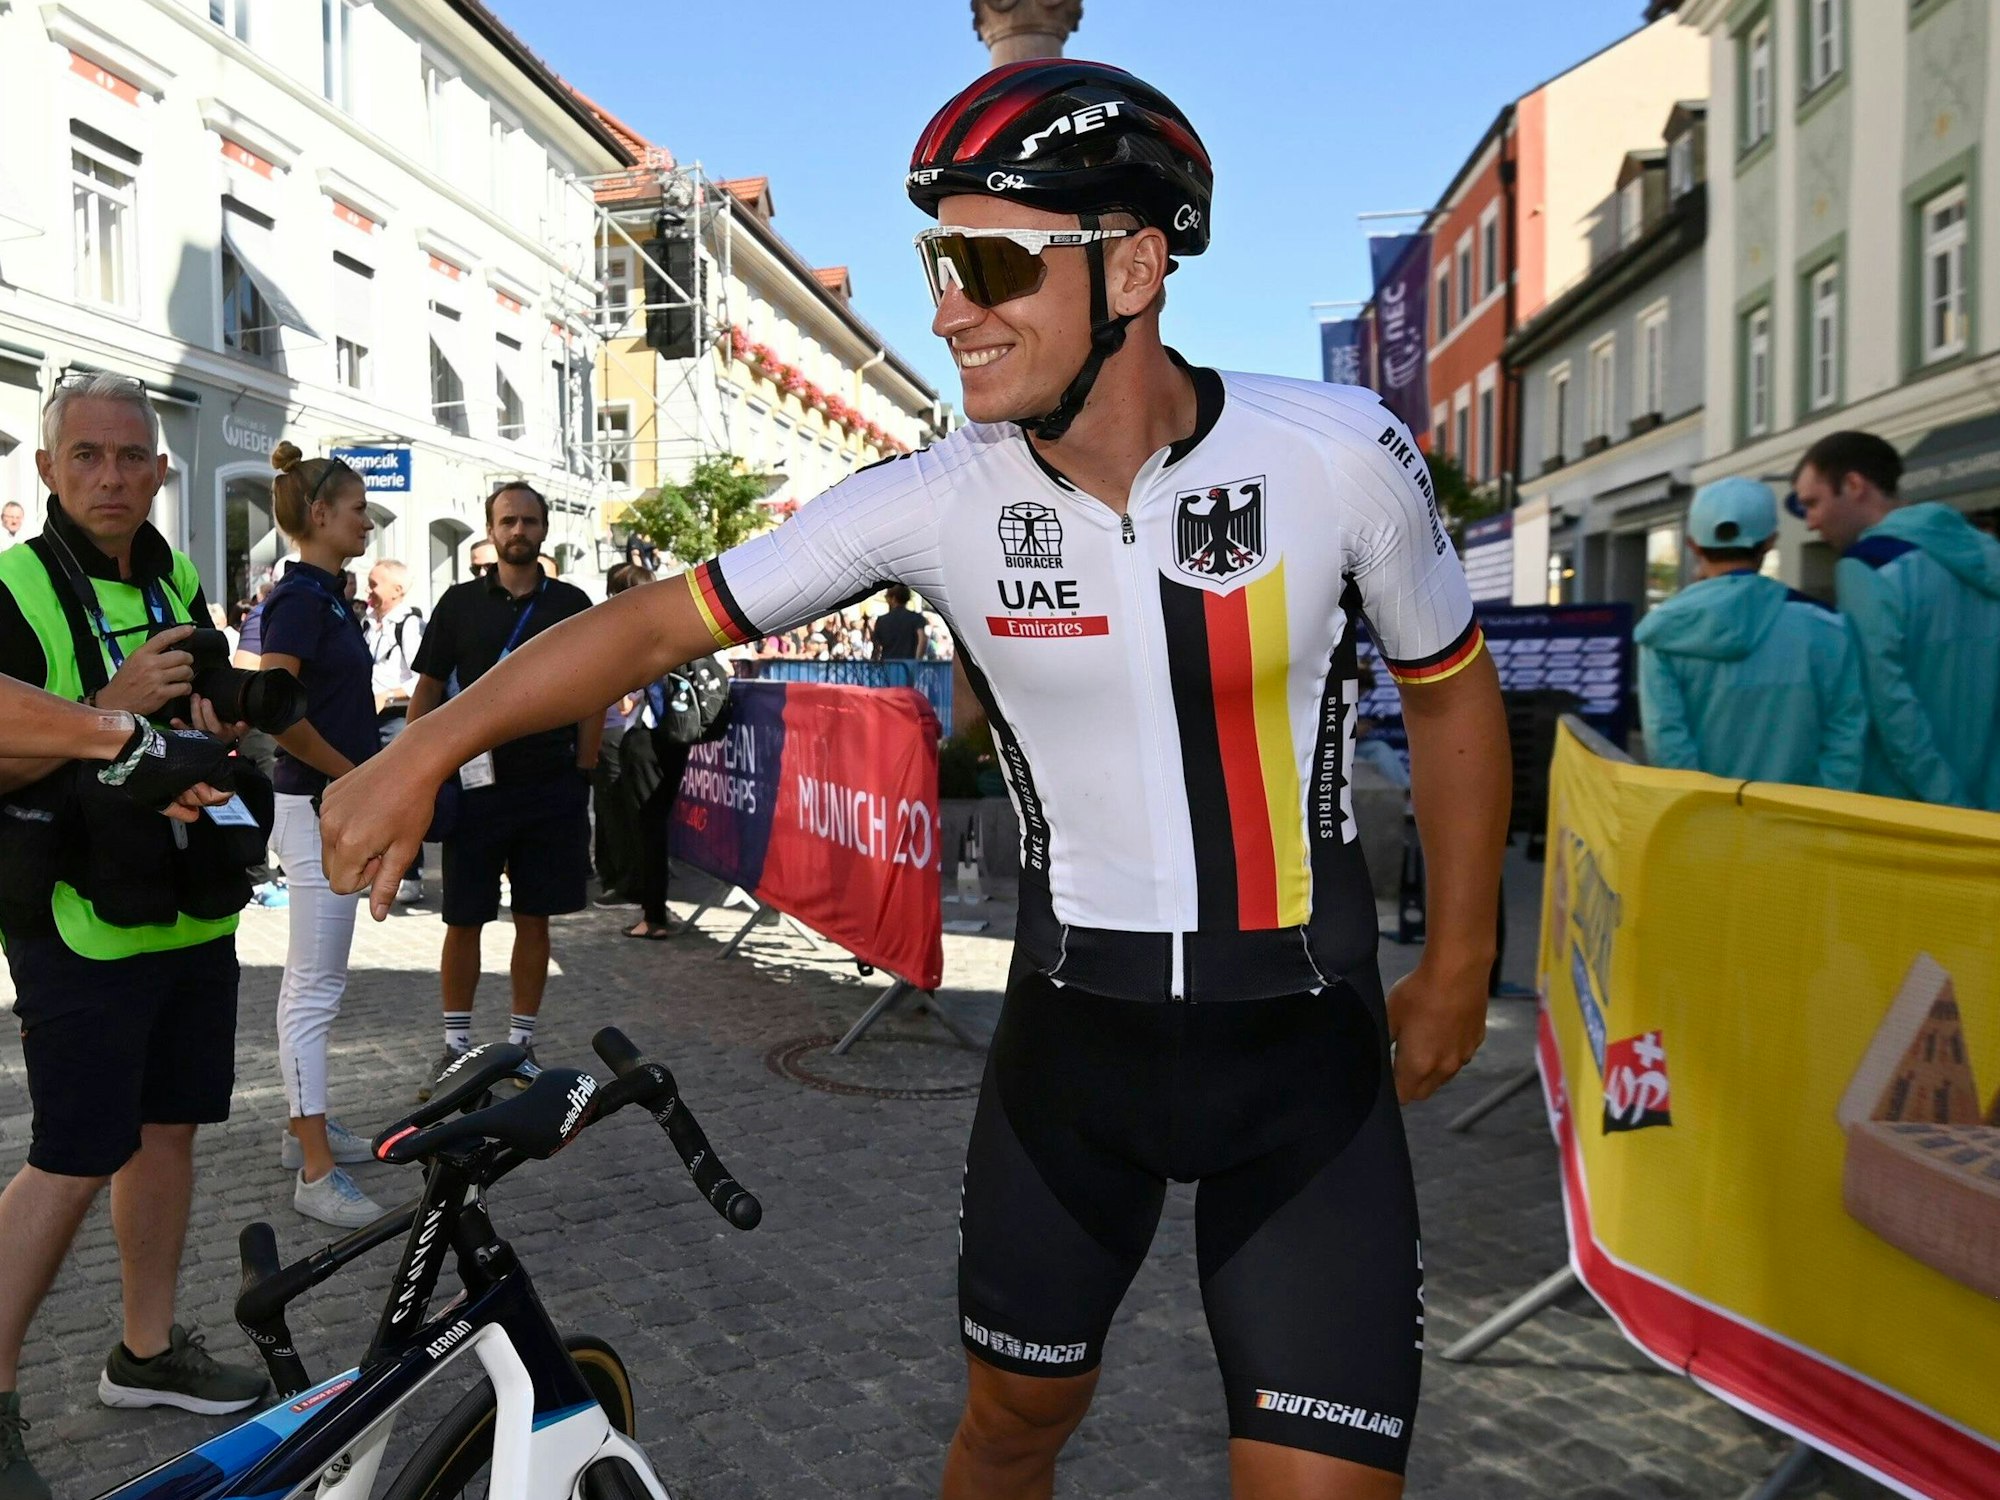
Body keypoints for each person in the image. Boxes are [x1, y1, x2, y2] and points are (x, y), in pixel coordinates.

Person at [321, 61, 1508, 1500]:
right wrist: (424, 747)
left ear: (1134, 267)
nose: (948, 307)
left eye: (991, 261)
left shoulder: (1337, 456)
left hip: (1304, 1062)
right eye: (937, 261)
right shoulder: (943, 495)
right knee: (1010, 1435)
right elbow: (648, 624)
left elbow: (1452, 700)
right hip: (1077, 1058)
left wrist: (1459, 959)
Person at [0, 374, 268, 1499]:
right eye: (88, 457)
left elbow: (184, 721)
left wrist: (215, 716)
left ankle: (145, 1354)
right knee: (69, 1157)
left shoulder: (170, 567)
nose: (112, 477)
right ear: (49, 470)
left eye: (131, 458)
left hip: (183, 904)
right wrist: (111, 707)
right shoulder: (16, 581)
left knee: (169, 1134)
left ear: (161, 470)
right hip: (74, 918)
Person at [404, 483, 600, 1098]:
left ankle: (519, 1044)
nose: (519, 530)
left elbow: (597, 686)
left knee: (533, 916)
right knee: (463, 917)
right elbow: (428, 689)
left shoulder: (573, 603)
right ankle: (457, 1048)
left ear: (545, 530)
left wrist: (584, 768)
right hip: (475, 787)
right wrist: (418, 765)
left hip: (548, 786)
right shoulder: (458, 604)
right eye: (508, 521)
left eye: (530, 521)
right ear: (489, 530)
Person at [256, 443, 387, 1229]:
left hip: (326, 803)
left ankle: (304, 1126)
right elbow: (276, 704)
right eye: (358, 508)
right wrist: (351, 776)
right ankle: (313, 1168)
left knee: (314, 985)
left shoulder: (324, 593)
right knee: (313, 989)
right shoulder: (301, 597)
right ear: (319, 516)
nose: (367, 519)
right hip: (315, 809)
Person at [1791, 430, 2000, 810]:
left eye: (1813, 503)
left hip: (1914, 811)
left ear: (1854, 485)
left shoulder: (1867, 567)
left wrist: (1951, 804)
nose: (1810, 521)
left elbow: (1890, 708)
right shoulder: (1985, 555)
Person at [1636, 477, 1865, 789]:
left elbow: (1666, 744)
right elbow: (1846, 737)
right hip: (1802, 823)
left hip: (1705, 824)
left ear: (1692, 544)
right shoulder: (1826, 626)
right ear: (1771, 541)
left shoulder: (1661, 632)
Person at [364, 559, 426, 904]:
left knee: (400, 799)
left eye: (374, 585)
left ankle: (411, 873)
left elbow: (421, 681)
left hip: (398, 721)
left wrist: (387, 695)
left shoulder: (410, 625)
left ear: (397, 590)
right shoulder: (371, 625)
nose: (368, 592)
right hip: (372, 723)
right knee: (376, 798)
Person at [871, 585, 929, 662]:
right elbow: (922, 639)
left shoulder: (881, 620)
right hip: (908, 665)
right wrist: (917, 661)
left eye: (887, 597)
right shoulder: (916, 618)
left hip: (887, 665)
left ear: (893, 599)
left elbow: (877, 646)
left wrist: (874, 661)